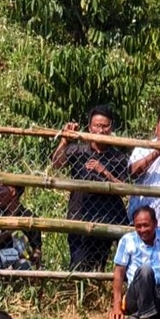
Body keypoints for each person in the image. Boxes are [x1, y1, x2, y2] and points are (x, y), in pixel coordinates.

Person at [51, 106, 130, 271]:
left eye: (105, 126)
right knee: (78, 263)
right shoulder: (78, 151)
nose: (100, 130)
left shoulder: (118, 157)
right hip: (79, 214)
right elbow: (56, 164)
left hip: (106, 215)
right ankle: (79, 294)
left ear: (111, 128)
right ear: (89, 127)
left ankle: (97, 293)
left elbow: (123, 188)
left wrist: (104, 171)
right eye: (97, 126)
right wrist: (65, 140)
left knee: (98, 265)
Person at [0, 184, 42, 270]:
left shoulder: (29, 217)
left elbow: (37, 249)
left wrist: (30, 256)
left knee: (24, 265)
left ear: (12, 191)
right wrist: (9, 232)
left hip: (20, 259)